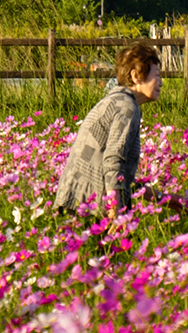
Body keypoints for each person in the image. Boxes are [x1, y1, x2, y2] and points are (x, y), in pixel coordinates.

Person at [55, 42, 162, 215]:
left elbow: (125, 180)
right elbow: (113, 160)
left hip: (76, 203)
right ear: (136, 76)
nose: (161, 83)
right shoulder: (127, 107)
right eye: (156, 75)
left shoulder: (116, 101)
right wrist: (116, 210)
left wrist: (165, 198)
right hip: (88, 209)